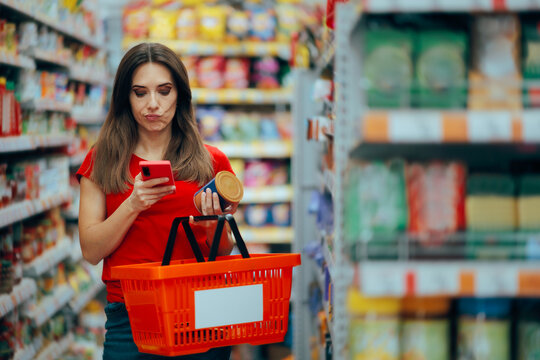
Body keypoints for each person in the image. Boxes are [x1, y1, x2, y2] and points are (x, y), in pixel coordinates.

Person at [76, 42, 236, 360]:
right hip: (131, 317)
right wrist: (133, 203)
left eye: (164, 91)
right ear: (125, 97)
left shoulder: (211, 162)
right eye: (140, 92)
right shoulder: (101, 161)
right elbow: (91, 251)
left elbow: (224, 249)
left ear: (180, 94)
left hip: (203, 310)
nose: (153, 104)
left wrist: (211, 227)